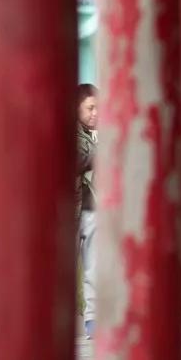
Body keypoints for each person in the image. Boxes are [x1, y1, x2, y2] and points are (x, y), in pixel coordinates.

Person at [77, 83, 99, 340]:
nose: (96, 113)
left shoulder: (92, 134)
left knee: (94, 266)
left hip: (91, 208)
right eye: (90, 108)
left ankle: (92, 319)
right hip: (72, 210)